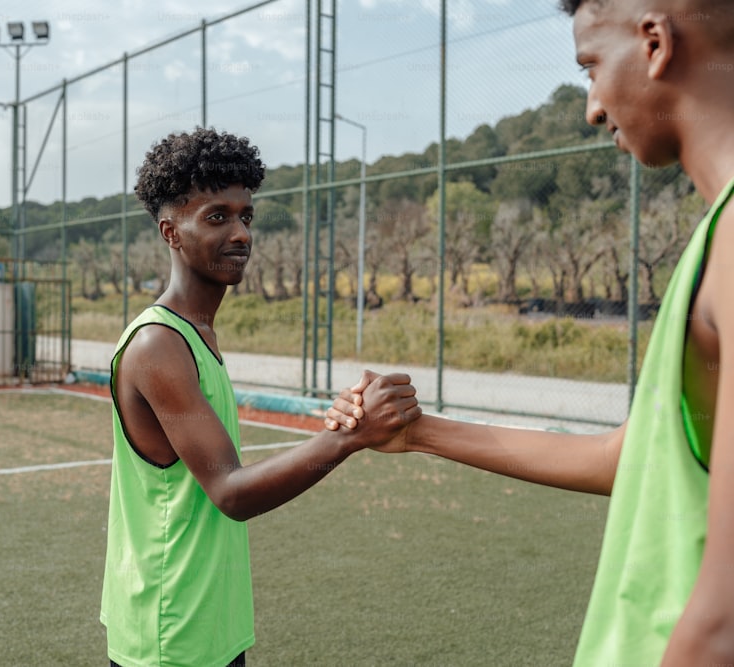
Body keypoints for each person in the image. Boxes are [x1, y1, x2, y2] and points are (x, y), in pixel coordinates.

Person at [327, 0, 734, 664]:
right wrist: (420, 431)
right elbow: (635, 460)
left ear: (655, 43)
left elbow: (724, 619)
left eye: (591, 68)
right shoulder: (715, 237)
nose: (593, 108)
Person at [99, 127, 422, 667]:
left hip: (207, 624)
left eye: (245, 216)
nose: (241, 233)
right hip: (169, 634)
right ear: (170, 232)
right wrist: (348, 439)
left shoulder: (197, 334)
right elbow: (232, 492)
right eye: (216, 216)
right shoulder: (159, 344)